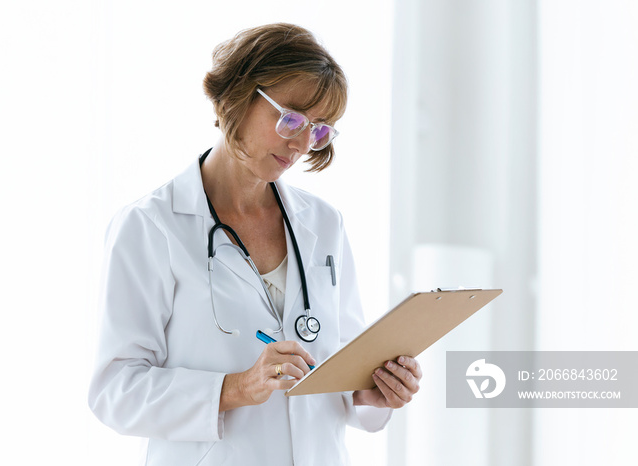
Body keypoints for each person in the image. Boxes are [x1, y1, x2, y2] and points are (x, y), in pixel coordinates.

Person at [88, 23, 422, 466]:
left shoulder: (323, 223)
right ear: (238, 97)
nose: (303, 144)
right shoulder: (150, 227)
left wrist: (372, 389)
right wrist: (236, 387)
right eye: (291, 119)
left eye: (319, 130)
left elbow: (337, 353)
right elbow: (115, 391)